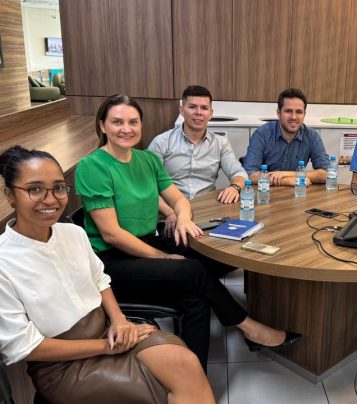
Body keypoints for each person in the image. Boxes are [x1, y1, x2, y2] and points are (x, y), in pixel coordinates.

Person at [74, 94, 301, 372]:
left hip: (146, 242)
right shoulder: (92, 166)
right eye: (117, 122)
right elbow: (111, 235)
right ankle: (249, 327)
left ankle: (195, 380)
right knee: (192, 270)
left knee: (200, 288)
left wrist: (180, 217)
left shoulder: (146, 159)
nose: (126, 129)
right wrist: (163, 257)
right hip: (112, 262)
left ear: (141, 125)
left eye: (133, 122)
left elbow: (179, 199)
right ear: (102, 125)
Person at [0, 146, 214, 404]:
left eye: (58, 188)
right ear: (10, 195)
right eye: (35, 189)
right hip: (62, 365)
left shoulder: (73, 233)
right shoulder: (4, 261)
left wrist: (120, 320)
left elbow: (100, 279)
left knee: (186, 362)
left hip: (107, 331)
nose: (51, 199)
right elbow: (23, 347)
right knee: (160, 391)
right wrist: (105, 347)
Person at [148, 85, 247, 203]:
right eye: (192, 107)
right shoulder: (161, 142)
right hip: (171, 209)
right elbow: (148, 183)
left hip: (206, 208)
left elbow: (239, 173)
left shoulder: (220, 143)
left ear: (210, 113)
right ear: (181, 110)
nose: (198, 112)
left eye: (204, 108)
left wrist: (234, 187)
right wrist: (171, 211)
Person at [243, 88, 329, 186]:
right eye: (288, 111)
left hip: (298, 192)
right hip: (265, 192)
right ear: (279, 113)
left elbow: (326, 174)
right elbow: (250, 174)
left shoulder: (312, 136)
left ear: (304, 114)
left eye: (299, 112)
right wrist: (286, 181)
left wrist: (289, 174)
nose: (294, 117)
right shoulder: (262, 134)